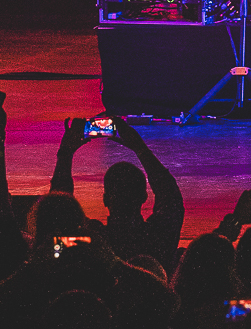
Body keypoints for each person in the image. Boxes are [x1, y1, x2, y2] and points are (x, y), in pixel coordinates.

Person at [51, 113, 184, 271]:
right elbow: (170, 196)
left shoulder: (91, 242)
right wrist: (140, 148)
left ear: (105, 199)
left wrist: (66, 152)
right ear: (144, 197)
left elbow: (58, 209)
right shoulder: (159, 236)